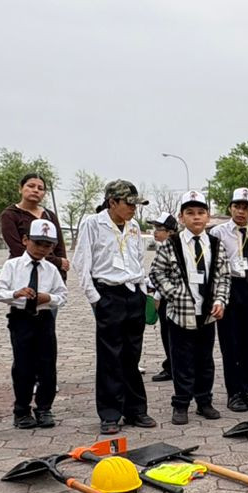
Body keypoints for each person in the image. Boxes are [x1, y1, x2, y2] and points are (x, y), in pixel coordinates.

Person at [73, 179, 153, 434]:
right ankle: (110, 413)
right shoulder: (93, 224)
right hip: (108, 293)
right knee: (110, 356)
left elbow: (138, 259)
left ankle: (136, 410)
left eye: (135, 204)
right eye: (128, 204)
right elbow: (82, 261)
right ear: (112, 202)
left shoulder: (133, 227)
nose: (133, 209)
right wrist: (95, 298)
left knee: (132, 355)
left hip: (132, 293)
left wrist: (142, 291)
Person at [152, 190, 230, 425]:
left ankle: (204, 402)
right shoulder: (172, 244)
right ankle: (181, 404)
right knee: (182, 361)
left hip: (206, 315)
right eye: (190, 213)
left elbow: (224, 277)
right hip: (180, 314)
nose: (196, 218)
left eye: (200, 213)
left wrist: (220, 301)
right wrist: (175, 295)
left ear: (207, 217)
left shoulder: (215, 244)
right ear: (181, 217)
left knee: (205, 360)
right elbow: (157, 272)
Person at [0, 218, 66, 428]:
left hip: (44, 319)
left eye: (47, 245)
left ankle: (44, 408)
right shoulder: (13, 266)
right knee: (23, 366)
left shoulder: (51, 269)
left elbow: (63, 295)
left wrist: (49, 298)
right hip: (21, 318)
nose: (42, 249)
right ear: (25, 240)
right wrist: (16, 293)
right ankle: (22, 410)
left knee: (47, 365)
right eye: (37, 243)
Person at [211, 187, 248, 412]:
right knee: (230, 343)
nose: (241, 212)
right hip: (228, 287)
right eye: (237, 207)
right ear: (230, 208)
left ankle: (247, 389)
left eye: (246, 208)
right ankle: (233, 393)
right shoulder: (218, 232)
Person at [0, 172, 69, 274]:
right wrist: (56, 262)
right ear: (20, 189)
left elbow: (59, 248)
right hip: (21, 270)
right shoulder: (10, 215)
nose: (35, 190)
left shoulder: (50, 216)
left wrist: (61, 272)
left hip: (49, 272)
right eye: (31, 186)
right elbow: (17, 249)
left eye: (40, 188)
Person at [145, 212, 177, 384]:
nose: (155, 232)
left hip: (169, 297)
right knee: (166, 333)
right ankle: (170, 364)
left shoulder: (173, 248)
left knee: (170, 334)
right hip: (162, 294)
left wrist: (157, 295)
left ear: (171, 231)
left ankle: (173, 366)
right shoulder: (161, 247)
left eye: (159, 228)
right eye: (154, 228)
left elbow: (168, 275)